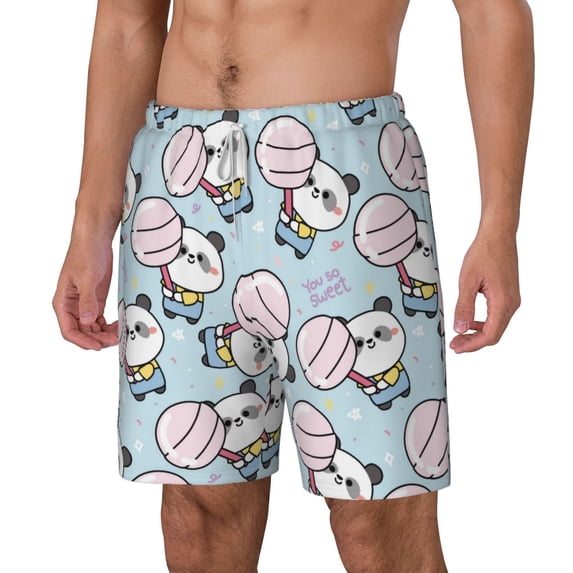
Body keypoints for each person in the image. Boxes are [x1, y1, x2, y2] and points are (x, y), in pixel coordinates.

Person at [52, 0, 534, 571]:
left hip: (346, 177)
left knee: (376, 519)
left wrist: (500, 226)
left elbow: (492, 14)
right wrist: (90, 226)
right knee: (199, 514)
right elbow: (127, 24)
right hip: (178, 175)